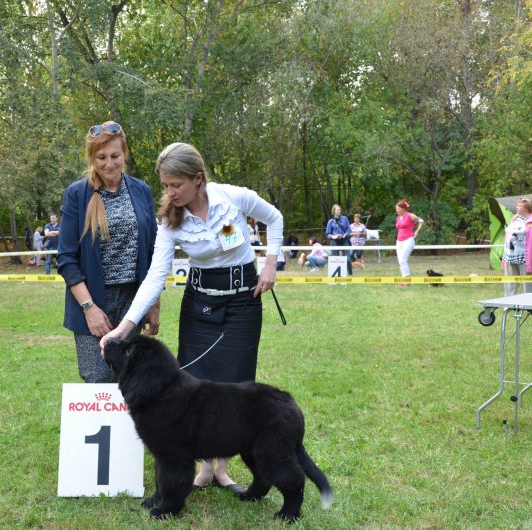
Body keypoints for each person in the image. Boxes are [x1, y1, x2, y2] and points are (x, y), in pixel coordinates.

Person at [101, 141, 283, 495]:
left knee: (234, 384)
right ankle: (203, 466)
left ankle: (224, 469)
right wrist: (125, 328)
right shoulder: (170, 220)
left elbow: (274, 218)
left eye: (176, 185)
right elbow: (156, 276)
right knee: (194, 385)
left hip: (243, 303)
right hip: (199, 305)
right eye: (165, 185)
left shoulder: (233, 198)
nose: (169, 193)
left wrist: (271, 264)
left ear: (198, 178)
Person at [57, 121, 159, 384]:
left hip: (133, 301)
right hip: (91, 301)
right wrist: (90, 309)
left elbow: (153, 252)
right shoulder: (77, 194)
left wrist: (153, 304)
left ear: (124, 153)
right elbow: (67, 259)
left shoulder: (142, 190)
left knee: (133, 380)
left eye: (115, 156)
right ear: (92, 158)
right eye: (101, 158)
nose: (109, 164)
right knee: (99, 379)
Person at [501, 197, 532, 296]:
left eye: (520, 206)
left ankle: (531, 306)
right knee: (509, 283)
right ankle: (508, 305)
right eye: (517, 205)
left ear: (527, 207)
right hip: (510, 255)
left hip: (526, 257)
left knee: (528, 283)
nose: (517, 207)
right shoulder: (515, 217)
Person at [394, 199, 425, 286]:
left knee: (403, 260)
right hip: (399, 241)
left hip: (408, 240)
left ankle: (407, 281)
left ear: (403, 208)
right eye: (396, 209)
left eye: (398, 209)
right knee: (401, 261)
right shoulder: (398, 218)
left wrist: (417, 231)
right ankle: (404, 281)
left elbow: (421, 221)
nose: (397, 211)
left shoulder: (410, 215)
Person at [326, 204, 352, 275]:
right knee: (335, 259)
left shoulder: (345, 218)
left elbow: (349, 230)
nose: (339, 211)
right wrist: (333, 237)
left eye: (340, 209)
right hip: (334, 241)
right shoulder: (330, 221)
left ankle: (350, 275)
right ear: (334, 211)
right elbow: (328, 233)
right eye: (338, 210)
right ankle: (336, 275)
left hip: (344, 240)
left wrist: (345, 235)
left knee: (348, 259)